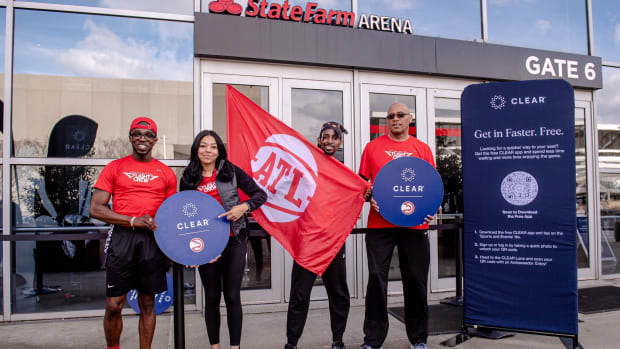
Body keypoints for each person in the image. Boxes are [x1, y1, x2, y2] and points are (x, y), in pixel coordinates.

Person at [90, 117, 177, 349]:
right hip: (122, 238)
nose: (142, 138)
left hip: (152, 240)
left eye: (148, 135)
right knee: (113, 304)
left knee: (148, 303)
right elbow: (96, 208)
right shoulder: (115, 167)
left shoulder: (166, 173)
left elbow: (171, 214)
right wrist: (131, 220)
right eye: (137, 134)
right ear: (130, 138)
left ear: (155, 140)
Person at [358, 103, 436, 349]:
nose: (395, 119)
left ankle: (419, 338)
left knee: (415, 279)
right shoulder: (372, 148)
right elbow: (361, 185)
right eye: (390, 116)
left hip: (413, 225)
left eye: (400, 115)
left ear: (410, 118)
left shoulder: (422, 149)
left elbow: (431, 186)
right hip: (379, 224)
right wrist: (369, 196)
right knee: (375, 278)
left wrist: (431, 209)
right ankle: (373, 340)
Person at [180, 130, 267, 349]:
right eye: (203, 145)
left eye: (213, 146)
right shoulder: (188, 177)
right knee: (211, 297)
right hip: (206, 245)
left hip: (234, 240)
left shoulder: (231, 171)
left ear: (219, 150)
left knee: (232, 296)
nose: (208, 150)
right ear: (196, 149)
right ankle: (215, 347)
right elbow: (184, 214)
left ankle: (234, 347)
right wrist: (194, 250)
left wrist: (243, 207)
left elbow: (260, 195)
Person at [284, 122, 353, 349]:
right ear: (319, 140)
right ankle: (292, 343)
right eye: (325, 137)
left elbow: (361, 191)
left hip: (334, 242)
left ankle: (338, 340)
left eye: (334, 138)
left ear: (340, 143)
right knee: (299, 295)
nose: (329, 141)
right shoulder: (307, 167)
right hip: (309, 241)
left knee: (339, 294)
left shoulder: (345, 174)